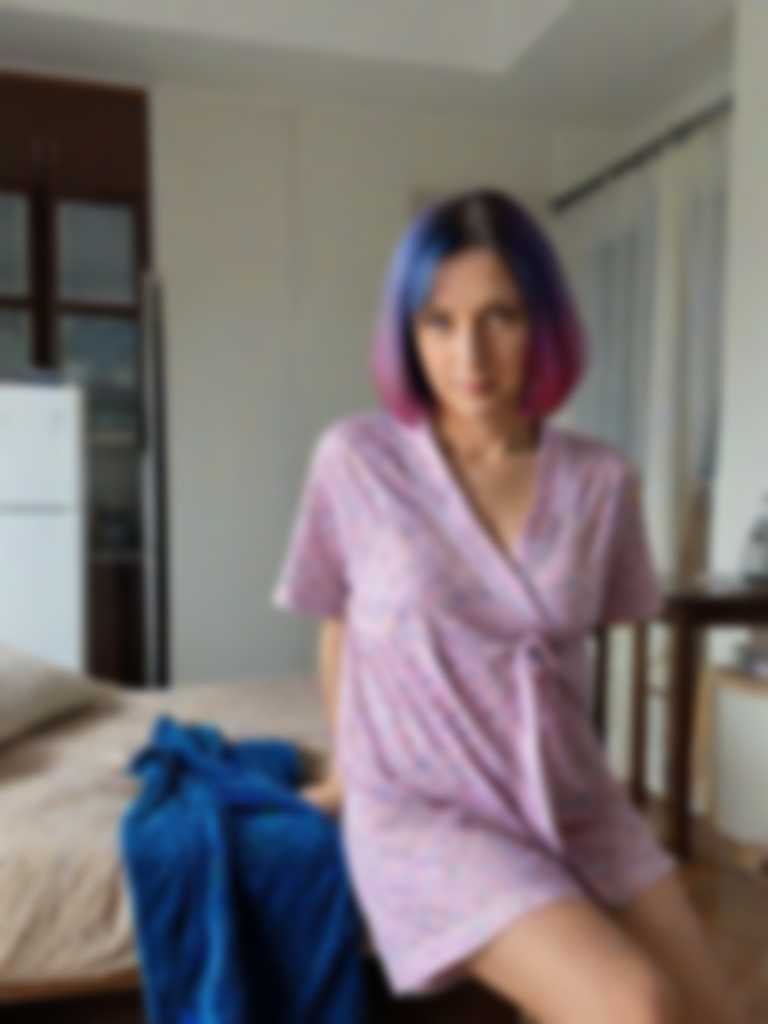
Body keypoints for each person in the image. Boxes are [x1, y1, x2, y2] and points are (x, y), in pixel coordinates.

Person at [271, 188, 745, 1023]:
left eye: (502, 317)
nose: (471, 356)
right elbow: (338, 624)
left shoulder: (601, 481)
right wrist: (346, 774)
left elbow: (599, 637)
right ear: (407, 333)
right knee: (637, 1007)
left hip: (572, 795)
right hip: (428, 808)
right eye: (440, 322)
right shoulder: (358, 460)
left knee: (715, 1013)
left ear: (544, 326)